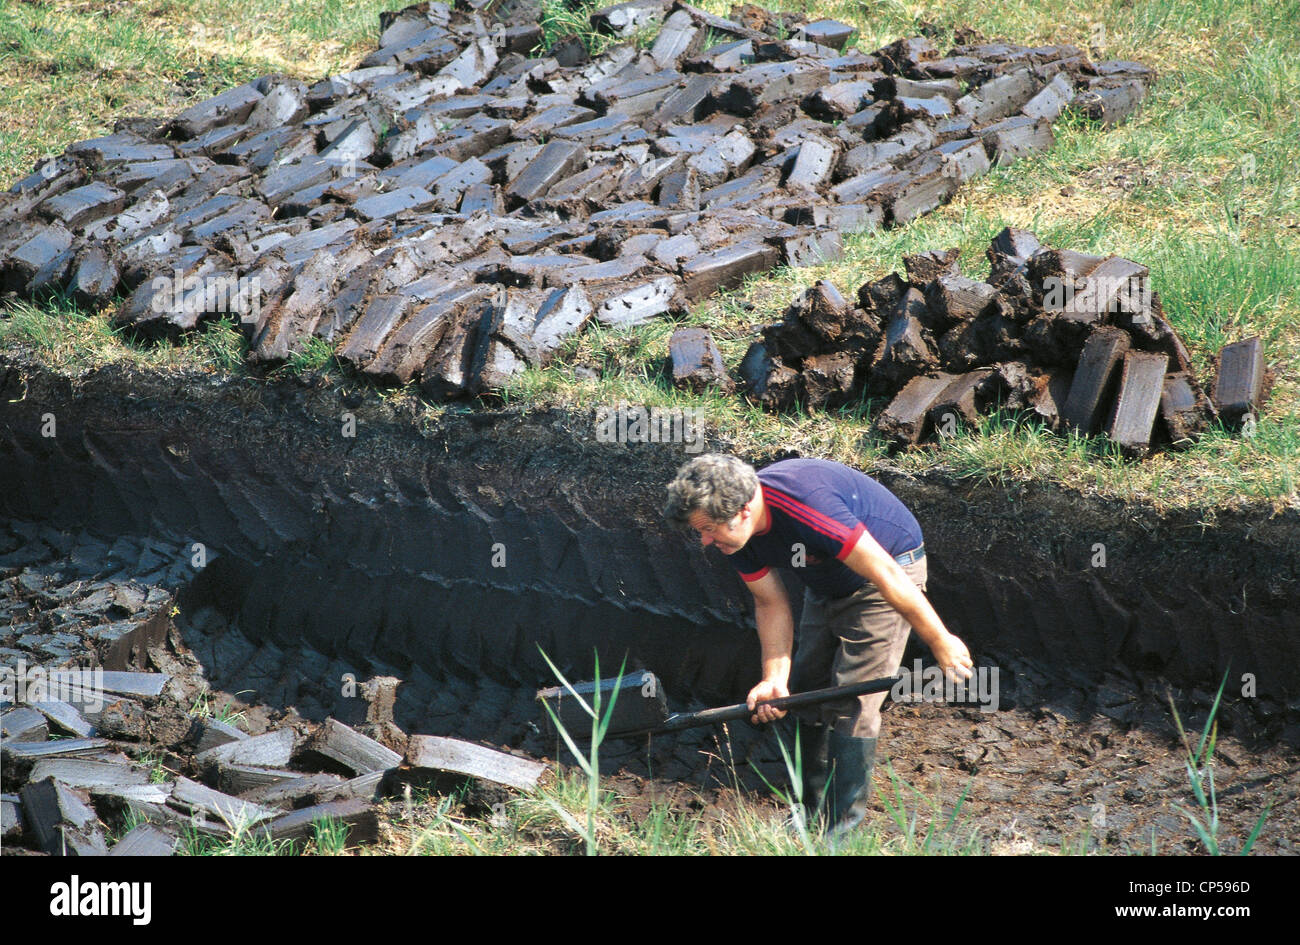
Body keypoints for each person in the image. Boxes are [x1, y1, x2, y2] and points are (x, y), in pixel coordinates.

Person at [663, 453, 974, 834]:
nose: (706, 541)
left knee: (852, 698)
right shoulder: (736, 538)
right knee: (806, 691)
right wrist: (774, 679)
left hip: (887, 574)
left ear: (744, 511)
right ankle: (810, 811)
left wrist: (940, 639)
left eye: (709, 529)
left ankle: (841, 830)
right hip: (824, 577)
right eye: (700, 531)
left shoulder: (805, 503)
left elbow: (886, 573)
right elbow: (770, 602)